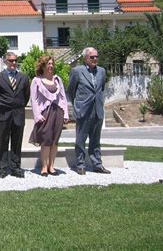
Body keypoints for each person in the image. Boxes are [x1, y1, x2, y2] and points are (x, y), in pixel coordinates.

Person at [67, 47, 110, 175]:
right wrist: (78, 105)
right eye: (92, 57)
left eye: (96, 56)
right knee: (81, 140)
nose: (95, 59)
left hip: (97, 110)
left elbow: (101, 89)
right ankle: (80, 165)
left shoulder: (101, 71)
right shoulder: (77, 71)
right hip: (83, 111)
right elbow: (71, 91)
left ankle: (97, 164)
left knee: (96, 140)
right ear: (85, 58)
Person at [29, 55, 69, 177]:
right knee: (46, 140)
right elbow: (34, 100)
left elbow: (63, 97)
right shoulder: (36, 80)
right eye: (48, 64)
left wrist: (65, 114)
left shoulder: (57, 80)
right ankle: (44, 167)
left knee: (54, 140)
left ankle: (52, 166)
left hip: (58, 113)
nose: (51, 66)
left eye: (52, 64)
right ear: (43, 66)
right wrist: (37, 115)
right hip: (45, 113)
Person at [0, 52, 30, 179]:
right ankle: (2, 167)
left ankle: (15, 167)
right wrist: (1, 106)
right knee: (2, 141)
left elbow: (26, 96)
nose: (13, 63)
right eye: (10, 61)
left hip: (18, 114)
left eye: (15, 60)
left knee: (17, 141)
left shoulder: (23, 78)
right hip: (3, 113)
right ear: (5, 62)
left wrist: (17, 105)